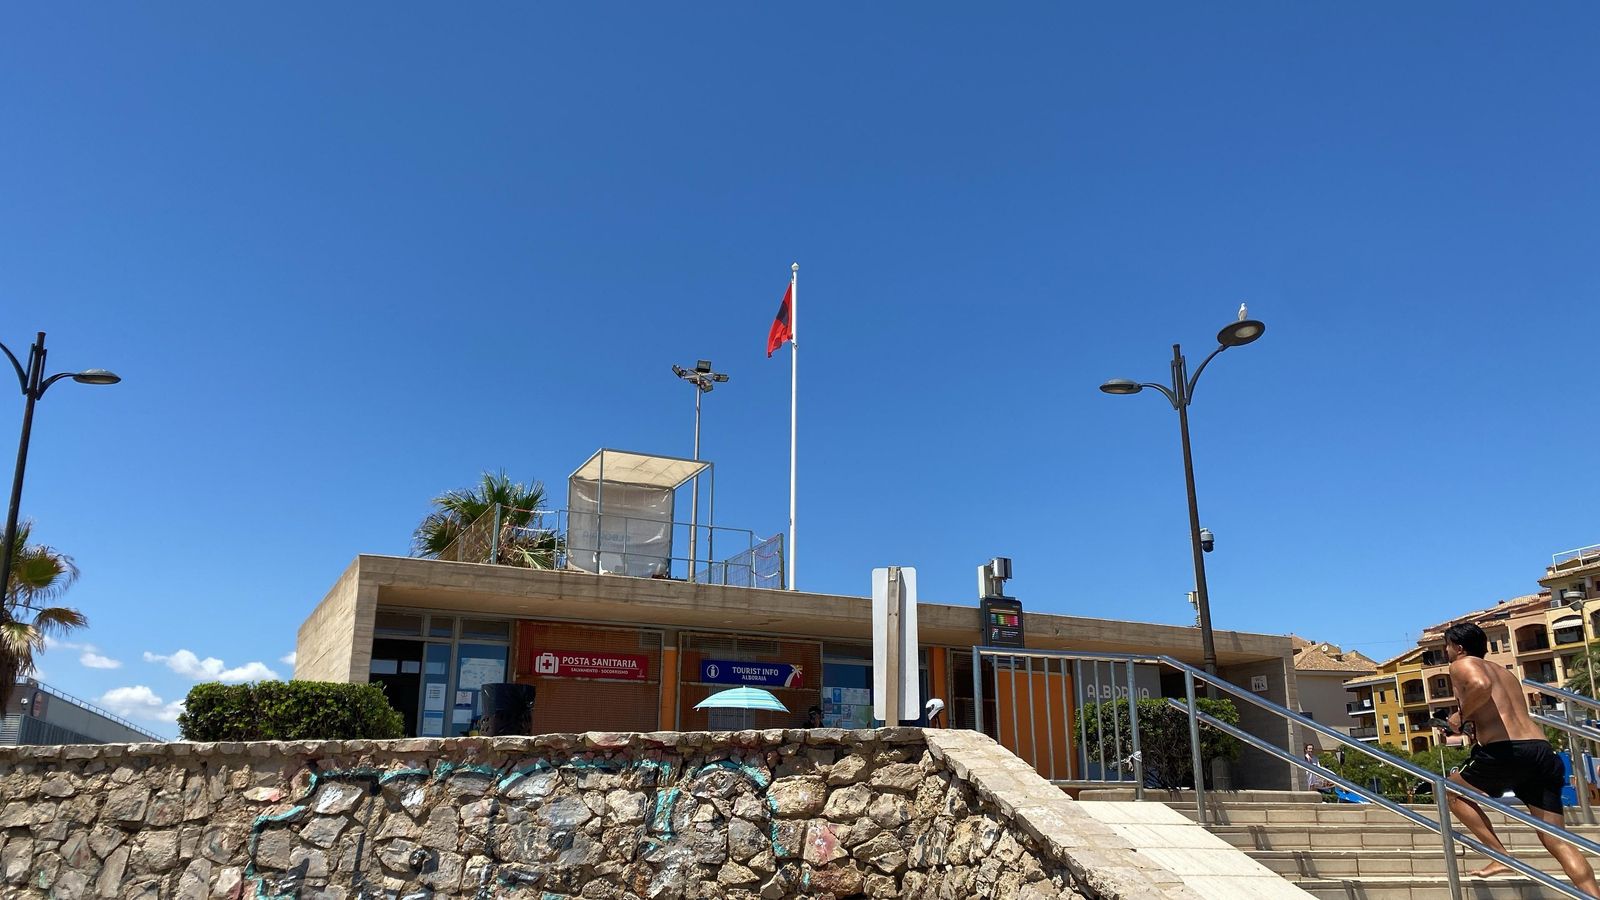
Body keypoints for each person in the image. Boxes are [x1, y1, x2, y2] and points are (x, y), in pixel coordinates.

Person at [1442, 622, 1599, 895]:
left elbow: (1481, 685)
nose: (1446, 651)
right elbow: (1501, 710)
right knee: (1556, 838)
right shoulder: (1505, 672)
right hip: (1540, 749)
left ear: (1459, 647)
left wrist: (1460, 715)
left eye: (1447, 646)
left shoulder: (1462, 664)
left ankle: (1500, 856)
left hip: (1507, 751)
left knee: (1450, 791)